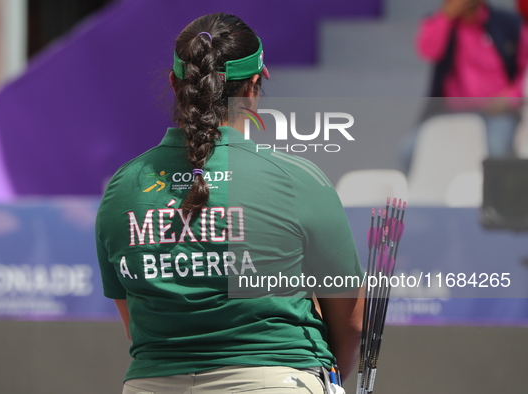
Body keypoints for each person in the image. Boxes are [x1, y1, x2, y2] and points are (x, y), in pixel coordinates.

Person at [96, 13, 365, 394]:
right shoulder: (297, 179)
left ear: (175, 84)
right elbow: (351, 323)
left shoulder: (123, 187)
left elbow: (137, 323)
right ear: (255, 85)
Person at [401, 0, 528, 173]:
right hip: (450, 110)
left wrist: (511, 97)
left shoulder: (508, 23)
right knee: (408, 151)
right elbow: (427, 50)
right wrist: (446, 16)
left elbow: (525, 71)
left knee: (498, 151)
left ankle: (494, 198)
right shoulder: (443, 22)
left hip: (497, 112)